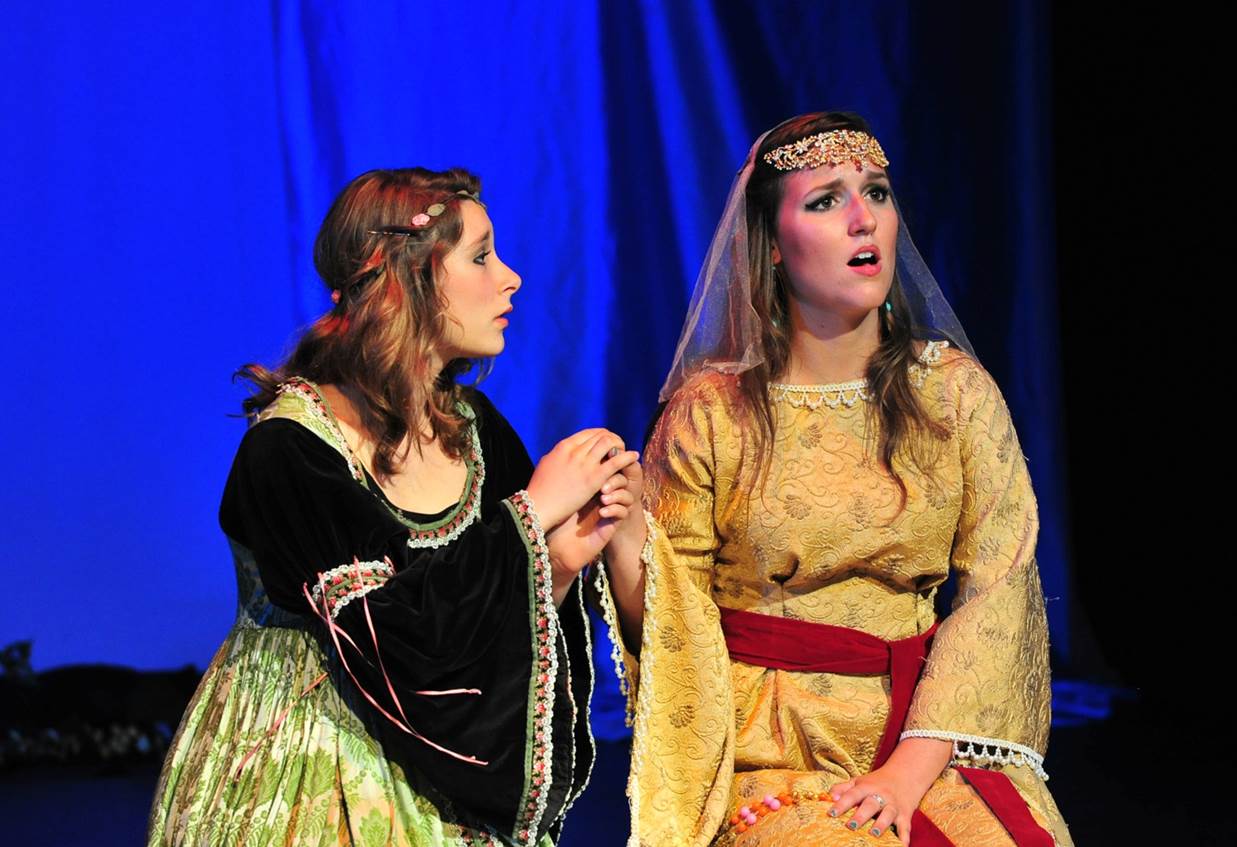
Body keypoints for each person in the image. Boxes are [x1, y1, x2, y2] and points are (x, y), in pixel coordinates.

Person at [595, 114, 1073, 846]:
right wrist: (623, 534)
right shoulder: (711, 413)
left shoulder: (954, 395)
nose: (863, 220)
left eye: (876, 192)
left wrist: (910, 770)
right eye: (825, 200)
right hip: (773, 754)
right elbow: (673, 619)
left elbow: (998, 586)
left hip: (927, 738)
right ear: (775, 246)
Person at [148, 167, 641, 846]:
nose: (511, 277)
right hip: (310, 757)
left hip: (444, 766)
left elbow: (479, 629)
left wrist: (557, 561)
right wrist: (533, 512)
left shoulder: (475, 428)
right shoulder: (292, 448)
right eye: (480, 256)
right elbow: (395, 636)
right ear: (409, 280)